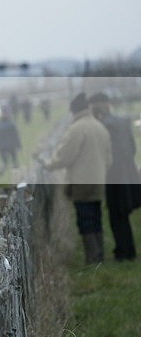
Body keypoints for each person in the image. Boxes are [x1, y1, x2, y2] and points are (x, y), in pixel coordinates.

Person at [43, 92, 112, 264]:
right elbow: (109, 158)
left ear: (74, 110)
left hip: (82, 182)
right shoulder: (99, 126)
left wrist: (49, 164)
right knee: (96, 218)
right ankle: (99, 255)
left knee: (85, 219)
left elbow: (65, 156)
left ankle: (93, 258)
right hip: (99, 180)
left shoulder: (76, 129)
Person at [89, 92, 140, 261]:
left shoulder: (102, 125)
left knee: (116, 216)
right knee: (122, 214)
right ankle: (128, 250)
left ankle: (123, 252)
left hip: (113, 175)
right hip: (128, 172)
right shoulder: (122, 122)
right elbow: (132, 148)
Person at [0, 106, 21, 176]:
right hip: (11, 145)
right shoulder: (12, 124)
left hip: (2, 147)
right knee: (14, 160)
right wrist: (19, 145)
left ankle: (1, 171)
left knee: (4, 161)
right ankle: (16, 173)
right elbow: (16, 135)